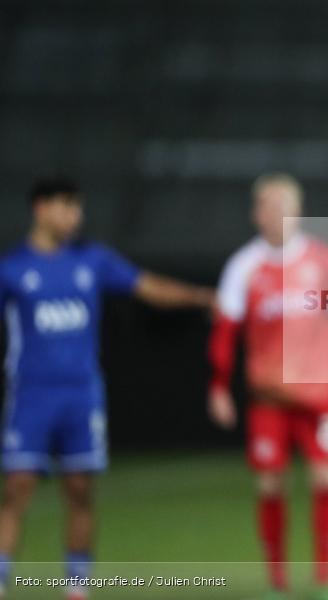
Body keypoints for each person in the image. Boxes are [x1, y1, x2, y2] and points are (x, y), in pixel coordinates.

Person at [0, 177, 215, 599]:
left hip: (81, 395)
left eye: (77, 207)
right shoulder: (12, 269)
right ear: (41, 209)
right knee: (17, 488)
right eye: (67, 206)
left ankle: (77, 587)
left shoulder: (92, 262)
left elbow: (149, 286)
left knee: (80, 490)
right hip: (31, 395)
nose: (75, 216)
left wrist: (201, 297)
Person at [207, 173, 328, 600]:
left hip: (321, 394)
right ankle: (277, 582)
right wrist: (219, 384)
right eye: (269, 206)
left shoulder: (326, 261)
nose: (278, 215)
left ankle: (324, 581)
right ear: (256, 213)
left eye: (284, 206)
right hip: (269, 398)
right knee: (271, 483)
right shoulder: (243, 266)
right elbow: (225, 330)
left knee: (327, 477)